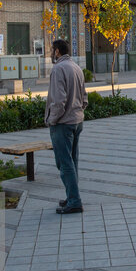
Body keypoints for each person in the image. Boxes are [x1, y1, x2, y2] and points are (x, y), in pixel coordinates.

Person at [46, 39, 88, 214]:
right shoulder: (76, 67)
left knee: (64, 163)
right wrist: (77, 112)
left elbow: (59, 100)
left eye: (51, 50)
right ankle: (72, 196)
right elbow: (85, 98)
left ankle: (74, 201)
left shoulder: (58, 69)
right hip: (77, 121)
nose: (50, 53)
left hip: (63, 123)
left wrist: (52, 120)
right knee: (72, 161)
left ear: (57, 52)